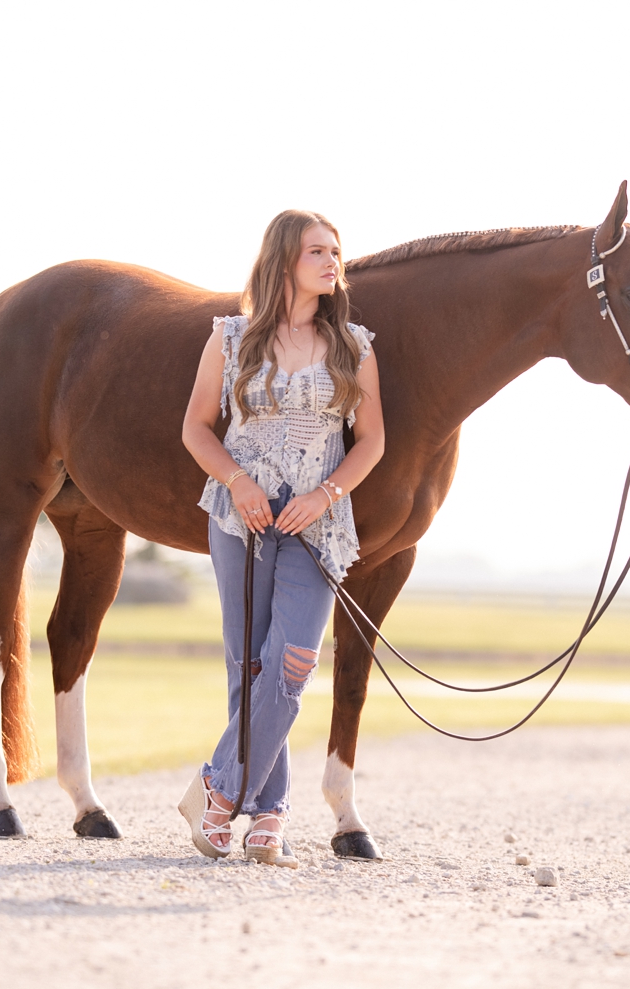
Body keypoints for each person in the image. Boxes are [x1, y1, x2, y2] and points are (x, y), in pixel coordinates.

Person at [178, 210, 385, 865]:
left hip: (314, 527)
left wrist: (326, 495)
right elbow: (196, 429)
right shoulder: (231, 339)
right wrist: (237, 481)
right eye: (316, 251)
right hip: (241, 520)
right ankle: (269, 815)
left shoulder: (354, 346)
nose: (331, 262)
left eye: (335, 252)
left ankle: (217, 790)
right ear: (284, 260)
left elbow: (372, 441)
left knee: (293, 662)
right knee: (251, 666)